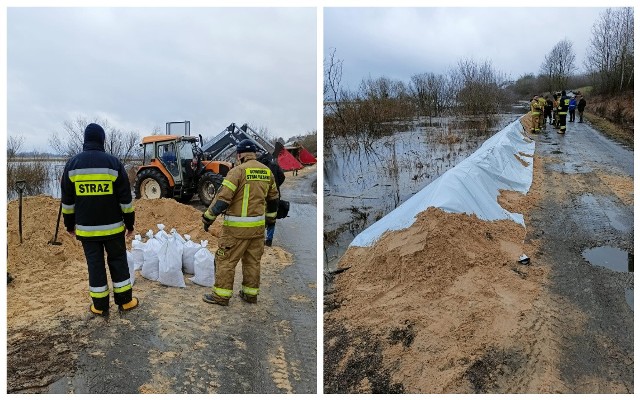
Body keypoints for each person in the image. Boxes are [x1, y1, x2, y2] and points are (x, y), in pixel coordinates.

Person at [61, 123, 138, 317]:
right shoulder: (113, 163)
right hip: (113, 230)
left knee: (95, 266)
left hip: (87, 231)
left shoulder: (72, 165)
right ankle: (125, 302)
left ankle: (100, 306)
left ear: (85, 140)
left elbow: (67, 202)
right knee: (118, 262)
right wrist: (130, 224)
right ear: (102, 140)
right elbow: (125, 200)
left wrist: (69, 225)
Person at [201, 139, 279, 306]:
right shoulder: (267, 172)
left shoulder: (237, 172)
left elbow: (222, 200)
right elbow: (273, 199)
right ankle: (250, 295)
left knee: (225, 261)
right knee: (252, 262)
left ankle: (221, 296)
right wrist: (270, 220)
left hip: (236, 231)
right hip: (258, 230)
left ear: (240, 154)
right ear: (255, 154)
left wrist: (208, 218)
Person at [257, 152, 285, 247]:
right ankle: (269, 239)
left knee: (259, 216)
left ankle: (260, 238)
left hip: (261, 195)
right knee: (272, 217)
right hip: (274, 195)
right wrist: (276, 186)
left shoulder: (258, 167)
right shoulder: (275, 166)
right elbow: (282, 177)